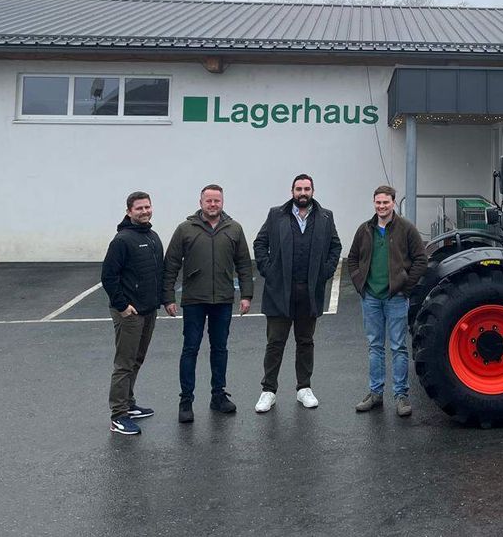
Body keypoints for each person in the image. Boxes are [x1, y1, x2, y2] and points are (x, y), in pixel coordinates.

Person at [162, 184, 254, 424]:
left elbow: (244, 264)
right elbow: (171, 264)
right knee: (190, 349)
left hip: (222, 300)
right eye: (209, 201)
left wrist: (246, 295)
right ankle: (186, 401)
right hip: (194, 300)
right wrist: (168, 297)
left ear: (222, 202)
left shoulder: (234, 229)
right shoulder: (185, 229)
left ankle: (218, 395)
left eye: (217, 201)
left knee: (220, 349)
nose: (213, 205)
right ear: (201, 202)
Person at [252, 174, 341, 413]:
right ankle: (268, 391)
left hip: (309, 292)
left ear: (313, 191)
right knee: (275, 343)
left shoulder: (325, 217)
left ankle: (304, 388)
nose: (303, 193)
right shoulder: (276, 215)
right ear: (292, 191)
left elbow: (335, 246)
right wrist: (269, 270)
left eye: (307, 189)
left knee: (305, 342)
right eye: (299, 189)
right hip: (279, 292)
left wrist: (326, 271)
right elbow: (260, 243)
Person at [347, 184, 428, 417]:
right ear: (374, 203)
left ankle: (401, 395)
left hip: (396, 298)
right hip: (371, 298)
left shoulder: (406, 229)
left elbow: (421, 259)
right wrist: (360, 284)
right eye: (378, 202)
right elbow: (352, 259)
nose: (381, 206)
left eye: (386, 202)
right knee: (375, 347)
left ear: (393, 203)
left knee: (398, 347)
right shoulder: (365, 229)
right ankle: (375, 393)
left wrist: (406, 288)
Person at [101, 191, 165, 436]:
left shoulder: (152, 236)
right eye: (139, 208)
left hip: (148, 310)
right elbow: (108, 276)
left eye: (147, 207)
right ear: (129, 211)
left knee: (137, 359)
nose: (145, 211)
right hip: (130, 313)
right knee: (124, 364)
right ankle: (118, 416)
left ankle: (128, 403)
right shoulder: (122, 240)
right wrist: (122, 306)